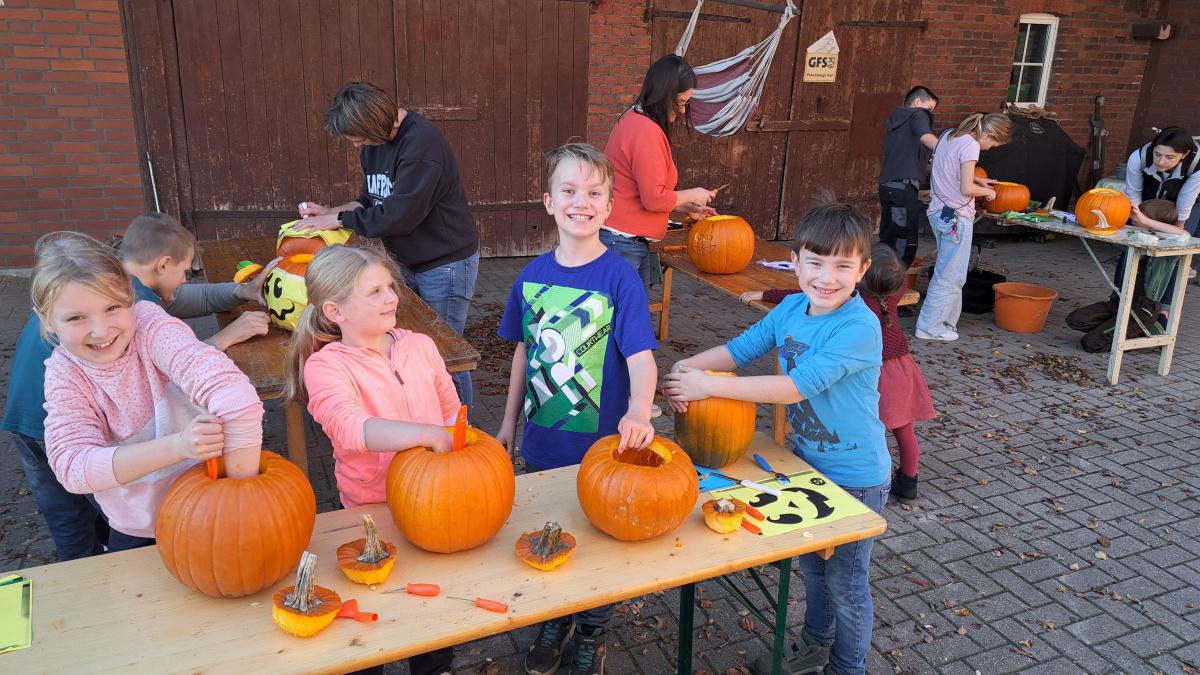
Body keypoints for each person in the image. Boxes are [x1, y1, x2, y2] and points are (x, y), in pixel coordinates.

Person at [663, 198, 889, 675]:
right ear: (795, 262)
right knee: (812, 569)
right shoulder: (789, 308)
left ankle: (849, 668)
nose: (827, 278)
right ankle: (814, 643)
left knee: (845, 583)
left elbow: (793, 388)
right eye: (816, 263)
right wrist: (687, 367)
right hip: (806, 465)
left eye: (842, 267)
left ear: (862, 269)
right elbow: (740, 349)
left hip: (856, 475)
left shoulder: (860, 327)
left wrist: (704, 386)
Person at [1, 213, 274, 560]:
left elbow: (236, 398)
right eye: (76, 318)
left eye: (113, 308)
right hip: (135, 524)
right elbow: (73, 467)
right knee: (74, 525)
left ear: (132, 298)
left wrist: (238, 501)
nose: (101, 331)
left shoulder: (151, 325)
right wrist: (178, 446)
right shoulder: (63, 374)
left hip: (205, 510)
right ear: (46, 319)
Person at [496, 143, 658, 675]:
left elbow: (640, 357)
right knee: (548, 532)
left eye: (593, 193)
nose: (580, 202)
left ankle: (592, 630)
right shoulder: (530, 277)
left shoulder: (620, 279)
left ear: (609, 207)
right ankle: (554, 617)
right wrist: (505, 426)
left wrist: (639, 409)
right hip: (542, 441)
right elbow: (523, 351)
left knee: (598, 543)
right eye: (569, 191)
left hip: (603, 450)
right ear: (548, 201)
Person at [283, 243, 457, 675]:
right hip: (372, 509)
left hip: (435, 505)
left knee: (431, 611)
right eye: (374, 292)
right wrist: (427, 435)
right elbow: (351, 428)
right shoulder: (326, 367)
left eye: (390, 287)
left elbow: (452, 410)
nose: (391, 297)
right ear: (335, 311)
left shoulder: (420, 346)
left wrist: (461, 444)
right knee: (372, 617)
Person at [295, 81, 480, 413]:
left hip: (445, 263)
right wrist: (332, 212)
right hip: (406, 259)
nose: (355, 145)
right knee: (412, 346)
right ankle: (418, 419)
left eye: (358, 137)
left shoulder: (422, 145)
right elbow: (371, 199)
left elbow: (398, 216)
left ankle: (461, 434)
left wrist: (340, 222)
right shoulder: (374, 144)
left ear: (375, 125)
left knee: (447, 354)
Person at [740, 243, 935, 503]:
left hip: (875, 376)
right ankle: (909, 480)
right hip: (900, 369)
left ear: (861, 273)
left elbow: (796, 294)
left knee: (873, 423)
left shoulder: (856, 309)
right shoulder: (891, 294)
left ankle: (885, 475)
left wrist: (765, 292)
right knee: (902, 429)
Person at [602, 54, 717, 288]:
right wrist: (693, 194)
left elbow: (641, 191)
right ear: (663, 95)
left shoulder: (634, 118)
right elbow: (654, 199)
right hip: (622, 242)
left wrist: (685, 206)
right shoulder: (646, 131)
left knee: (630, 317)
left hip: (624, 240)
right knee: (622, 320)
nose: (683, 111)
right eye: (681, 102)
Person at [915, 113, 1012, 341]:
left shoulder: (950, 134)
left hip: (939, 211)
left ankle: (946, 323)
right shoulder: (971, 145)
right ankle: (930, 327)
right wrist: (988, 191)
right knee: (949, 275)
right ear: (989, 134)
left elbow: (943, 168)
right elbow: (966, 189)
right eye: (994, 143)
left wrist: (978, 181)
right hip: (956, 216)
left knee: (950, 272)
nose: (990, 148)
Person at [1122, 126, 1200, 323]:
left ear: (1185, 155)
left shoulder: (1197, 166)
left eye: (1169, 157)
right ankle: (1122, 299)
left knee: (1173, 252)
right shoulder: (1138, 157)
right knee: (1132, 245)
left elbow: (1183, 210)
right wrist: (1140, 223)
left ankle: (1163, 311)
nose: (1161, 161)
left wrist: (1174, 229)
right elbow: (1133, 195)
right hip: (1148, 199)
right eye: (1157, 154)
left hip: (1187, 202)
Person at [879, 86, 940, 267]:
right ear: (918, 102)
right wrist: (951, 152)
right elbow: (927, 138)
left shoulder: (897, 122)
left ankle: (877, 277)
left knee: (888, 237)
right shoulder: (917, 115)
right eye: (930, 108)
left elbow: (914, 161)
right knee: (903, 241)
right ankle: (893, 284)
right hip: (902, 190)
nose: (930, 114)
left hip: (888, 187)